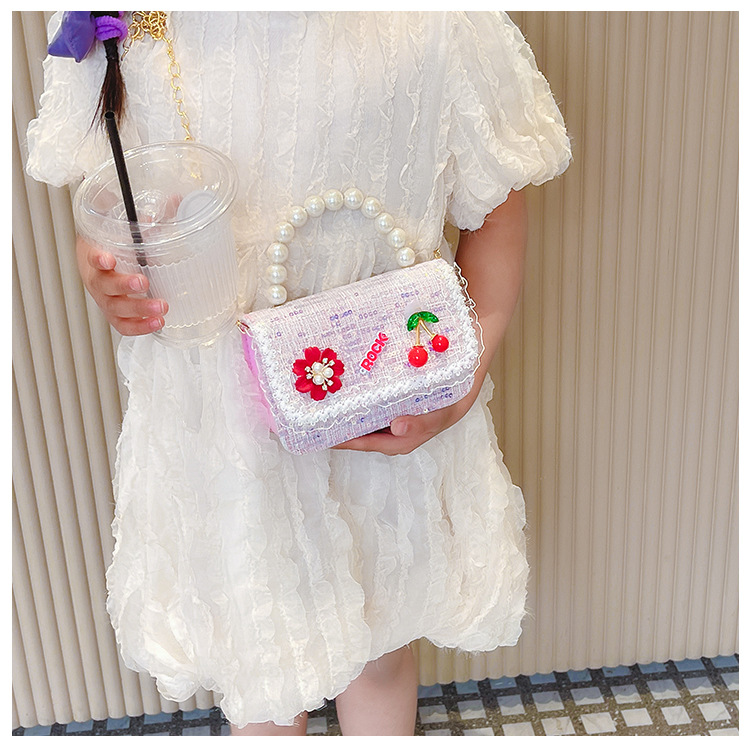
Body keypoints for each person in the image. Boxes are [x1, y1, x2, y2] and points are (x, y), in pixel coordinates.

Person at [26, 11, 570, 736]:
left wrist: (463, 377)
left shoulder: (437, 23)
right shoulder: (130, 25)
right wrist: (104, 274)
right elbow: (107, 198)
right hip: (224, 415)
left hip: (374, 393)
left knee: (380, 628)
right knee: (261, 647)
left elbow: (495, 208)